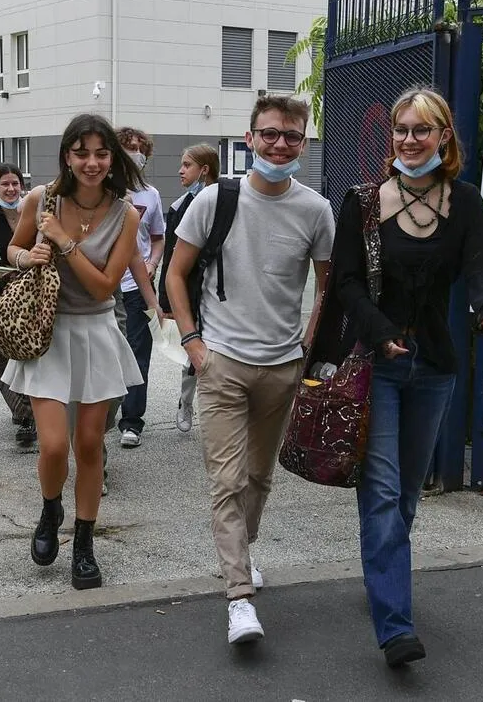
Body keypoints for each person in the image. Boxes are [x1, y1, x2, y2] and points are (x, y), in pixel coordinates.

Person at [331, 87, 483, 667]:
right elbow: (346, 283)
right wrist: (380, 331)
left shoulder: (465, 202)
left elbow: (482, 266)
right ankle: (395, 627)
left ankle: (383, 576)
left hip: (433, 367)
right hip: (377, 365)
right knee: (381, 490)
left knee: (406, 493)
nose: (409, 139)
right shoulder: (361, 203)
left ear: (443, 137)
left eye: (421, 130)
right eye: (401, 129)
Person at [165, 96, 335, 644]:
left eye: (291, 136)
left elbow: (328, 287)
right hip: (222, 364)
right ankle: (239, 597)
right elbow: (175, 274)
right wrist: (193, 344)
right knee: (227, 481)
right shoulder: (214, 199)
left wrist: (308, 348)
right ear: (249, 139)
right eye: (269, 134)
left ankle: (241, 552)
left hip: (282, 368)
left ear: (304, 142)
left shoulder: (316, 210)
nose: (280, 145)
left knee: (259, 478)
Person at [3, 113, 144, 590]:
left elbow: (105, 287)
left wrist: (64, 243)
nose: (91, 163)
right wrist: (28, 255)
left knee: (88, 444)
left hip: (95, 331)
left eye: (101, 154)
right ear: (67, 155)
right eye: (81, 153)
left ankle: (84, 542)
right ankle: (50, 510)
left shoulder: (126, 215)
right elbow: (12, 250)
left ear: (113, 159)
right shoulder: (41, 199)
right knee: (53, 445)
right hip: (48, 331)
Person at [157, 143, 220, 433]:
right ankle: (186, 402)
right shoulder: (179, 207)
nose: (180, 171)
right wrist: (166, 302)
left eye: (187, 165)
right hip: (191, 291)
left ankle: (217, 411)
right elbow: (171, 257)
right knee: (193, 352)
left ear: (204, 170)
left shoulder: (227, 200)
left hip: (221, 291)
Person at [0, 163, 36, 446]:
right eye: (5, 184)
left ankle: (36, 410)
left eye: (15, 183)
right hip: (5, 294)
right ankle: (23, 415)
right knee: (1, 355)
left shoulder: (36, 212)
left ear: (22, 186)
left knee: (34, 354)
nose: (11, 189)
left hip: (37, 292)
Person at [114, 127, 165, 449]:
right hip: (103, 285)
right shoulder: (103, 191)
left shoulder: (151, 195)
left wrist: (152, 263)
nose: (135, 153)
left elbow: (157, 238)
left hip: (137, 284)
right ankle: (102, 412)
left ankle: (131, 421)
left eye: (139, 148)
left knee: (137, 354)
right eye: (128, 147)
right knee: (105, 353)